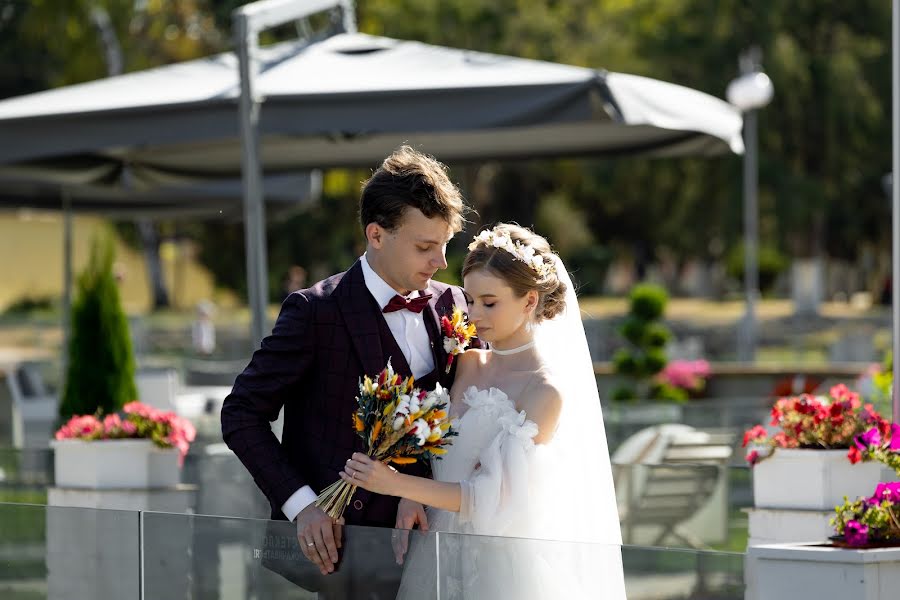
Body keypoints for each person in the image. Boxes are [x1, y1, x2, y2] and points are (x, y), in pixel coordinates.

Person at [220, 146, 472, 598]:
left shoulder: (454, 304)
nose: (441, 262)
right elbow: (240, 414)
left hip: (448, 546)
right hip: (349, 553)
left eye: (445, 245)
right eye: (425, 246)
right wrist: (303, 506)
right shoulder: (315, 312)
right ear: (376, 235)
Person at [342, 223, 627, 599]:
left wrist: (395, 484)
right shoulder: (468, 361)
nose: (475, 315)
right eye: (471, 300)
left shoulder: (544, 391)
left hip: (499, 568)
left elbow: (492, 498)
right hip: (436, 550)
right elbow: (441, 449)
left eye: (489, 303)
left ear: (529, 301)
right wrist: (413, 496)